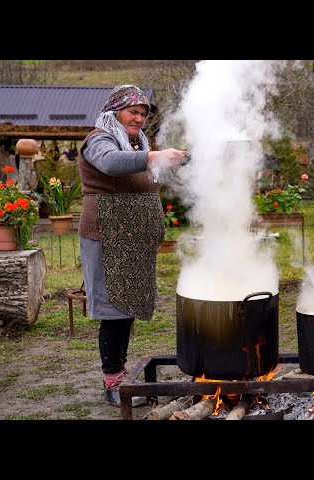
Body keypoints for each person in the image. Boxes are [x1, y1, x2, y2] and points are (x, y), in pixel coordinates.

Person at [77, 85, 188, 407]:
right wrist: (154, 156)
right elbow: (111, 164)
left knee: (125, 308)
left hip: (130, 240)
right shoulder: (100, 139)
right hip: (108, 237)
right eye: (133, 112)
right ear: (115, 111)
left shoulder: (135, 142)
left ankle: (120, 374)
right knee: (114, 310)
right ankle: (113, 380)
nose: (139, 118)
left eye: (143, 114)